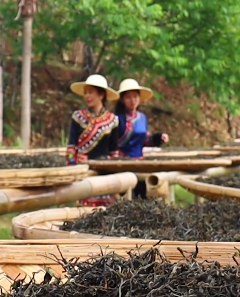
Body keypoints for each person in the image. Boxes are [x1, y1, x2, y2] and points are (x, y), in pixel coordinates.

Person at [66, 74, 121, 207]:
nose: (87, 96)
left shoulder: (112, 120)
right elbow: (71, 147)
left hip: (103, 172)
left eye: (91, 92)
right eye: (85, 93)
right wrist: (73, 165)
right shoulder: (78, 117)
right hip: (83, 170)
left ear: (101, 95)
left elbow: (114, 152)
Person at [113, 78, 169, 198]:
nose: (132, 100)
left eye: (135, 96)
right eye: (128, 97)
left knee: (141, 198)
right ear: (122, 100)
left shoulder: (142, 117)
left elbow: (145, 140)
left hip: (140, 163)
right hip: (122, 163)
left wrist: (159, 138)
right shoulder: (116, 119)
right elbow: (112, 142)